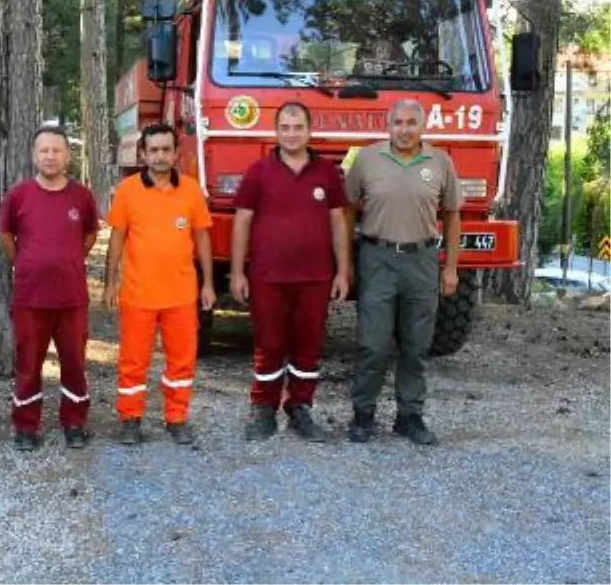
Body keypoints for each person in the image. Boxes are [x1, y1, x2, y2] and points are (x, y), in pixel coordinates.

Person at [230, 102, 351, 442]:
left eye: (298, 127)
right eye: (285, 127)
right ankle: (263, 409)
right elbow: (242, 221)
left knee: (308, 346)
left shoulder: (327, 172)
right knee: (269, 345)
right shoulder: (258, 172)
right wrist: (238, 272)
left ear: (309, 131)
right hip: (268, 276)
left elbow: (338, 221)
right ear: (276, 131)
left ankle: (300, 407)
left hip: (315, 277)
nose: (292, 134)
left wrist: (343, 271)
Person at [344, 98, 461, 446]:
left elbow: (453, 215)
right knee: (373, 344)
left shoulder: (441, 162)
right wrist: (347, 263)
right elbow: (347, 209)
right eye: (399, 122)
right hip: (376, 258)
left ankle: (409, 417)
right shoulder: (366, 159)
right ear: (388, 125)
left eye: (412, 123)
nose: (405, 129)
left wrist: (451, 268)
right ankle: (362, 415)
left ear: (422, 127)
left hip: (422, 261)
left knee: (415, 345)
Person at [105, 123, 215, 445]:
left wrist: (208, 283)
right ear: (143, 154)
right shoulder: (127, 191)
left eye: (166, 149)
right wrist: (110, 283)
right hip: (138, 294)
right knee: (132, 361)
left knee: (181, 361)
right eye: (153, 150)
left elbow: (202, 238)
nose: (160, 156)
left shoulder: (191, 190)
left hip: (181, 295)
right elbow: (117, 238)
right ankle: (130, 419)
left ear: (176, 153)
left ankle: (177, 418)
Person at [0, 127, 100, 451]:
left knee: (74, 363)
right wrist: (28, 263)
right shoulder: (18, 195)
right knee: (29, 364)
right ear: (34, 155)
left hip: (71, 298)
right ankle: (26, 427)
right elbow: (6, 238)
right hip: (31, 297)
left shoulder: (81, 197)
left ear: (68, 156)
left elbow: (89, 237)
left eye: (57, 150)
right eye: (44, 150)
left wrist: (66, 261)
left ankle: (74, 424)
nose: (50, 156)